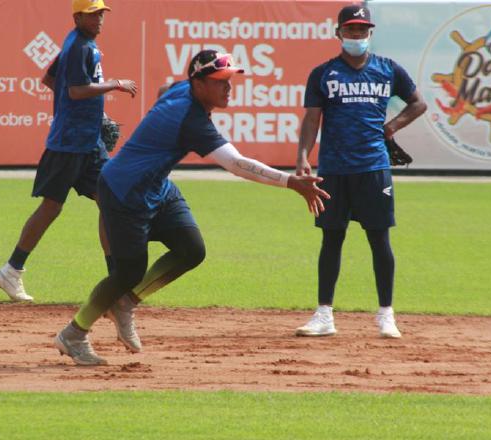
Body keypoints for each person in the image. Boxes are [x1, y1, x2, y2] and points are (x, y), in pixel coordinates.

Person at [54, 49, 330, 365]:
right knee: (129, 271)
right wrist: (291, 182)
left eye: (230, 80)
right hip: (124, 191)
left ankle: (125, 304)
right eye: (220, 81)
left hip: (158, 187)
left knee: (191, 249)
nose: (228, 87)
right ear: (198, 82)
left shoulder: (181, 89)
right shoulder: (191, 120)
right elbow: (237, 164)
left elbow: (163, 91)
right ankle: (73, 334)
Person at [294, 5, 426, 339]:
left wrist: (392, 126)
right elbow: (312, 118)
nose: (357, 36)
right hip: (334, 168)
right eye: (351, 30)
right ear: (338, 33)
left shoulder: (387, 69)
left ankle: (386, 315)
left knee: (379, 238)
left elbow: (418, 103)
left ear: (371, 33)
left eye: (363, 30)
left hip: (373, 167)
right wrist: (302, 157)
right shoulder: (323, 73)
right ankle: (324, 314)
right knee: (332, 237)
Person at [0, 0, 137, 302]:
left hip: (88, 141)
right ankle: (11, 270)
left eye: (101, 13)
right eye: (92, 14)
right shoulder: (79, 47)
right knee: (51, 207)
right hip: (69, 143)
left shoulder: (80, 44)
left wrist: (88, 114)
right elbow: (75, 90)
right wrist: (114, 85)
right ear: (77, 17)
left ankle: (116, 283)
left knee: (108, 202)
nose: (99, 19)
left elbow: (49, 80)